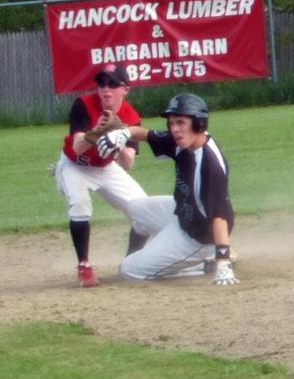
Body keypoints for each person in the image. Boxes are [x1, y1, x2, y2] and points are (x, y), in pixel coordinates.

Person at [97, 93, 239, 286]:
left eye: (181, 122)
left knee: (129, 270)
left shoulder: (210, 165)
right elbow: (145, 134)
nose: (175, 129)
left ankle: (203, 265)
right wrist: (124, 133)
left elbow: (219, 216)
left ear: (199, 123)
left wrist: (224, 261)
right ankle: (136, 257)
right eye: (171, 123)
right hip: (182, 213)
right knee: (134, 208)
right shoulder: (182, 141)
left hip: (198, 236)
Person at [55, 64, 148, 288]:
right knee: (79, 204)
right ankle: (84, 267)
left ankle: (131, 261)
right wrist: (96, 131)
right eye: (102, 83)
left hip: (106, 167)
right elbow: (77, 148)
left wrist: (121, 136)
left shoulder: (131, 116)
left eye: (113, 84)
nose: (106, 89)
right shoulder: (84, 105)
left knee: (143, 209)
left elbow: (128, 163)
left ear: (125, 89)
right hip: (75, 165)